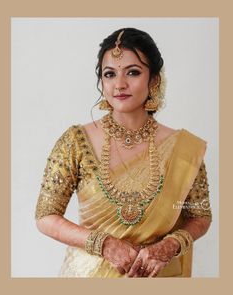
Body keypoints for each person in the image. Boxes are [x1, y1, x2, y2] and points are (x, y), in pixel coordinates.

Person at [35, 27, 212, 278]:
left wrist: (170, 246)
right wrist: (104, 244)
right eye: (109, 74)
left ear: (154, 80)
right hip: (90, 278)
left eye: (133, 72)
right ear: (102, 82)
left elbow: (200, 216)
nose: (119, 84)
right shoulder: (75, 141)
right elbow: (46, 215)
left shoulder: (184, 148)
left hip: (159, 276)